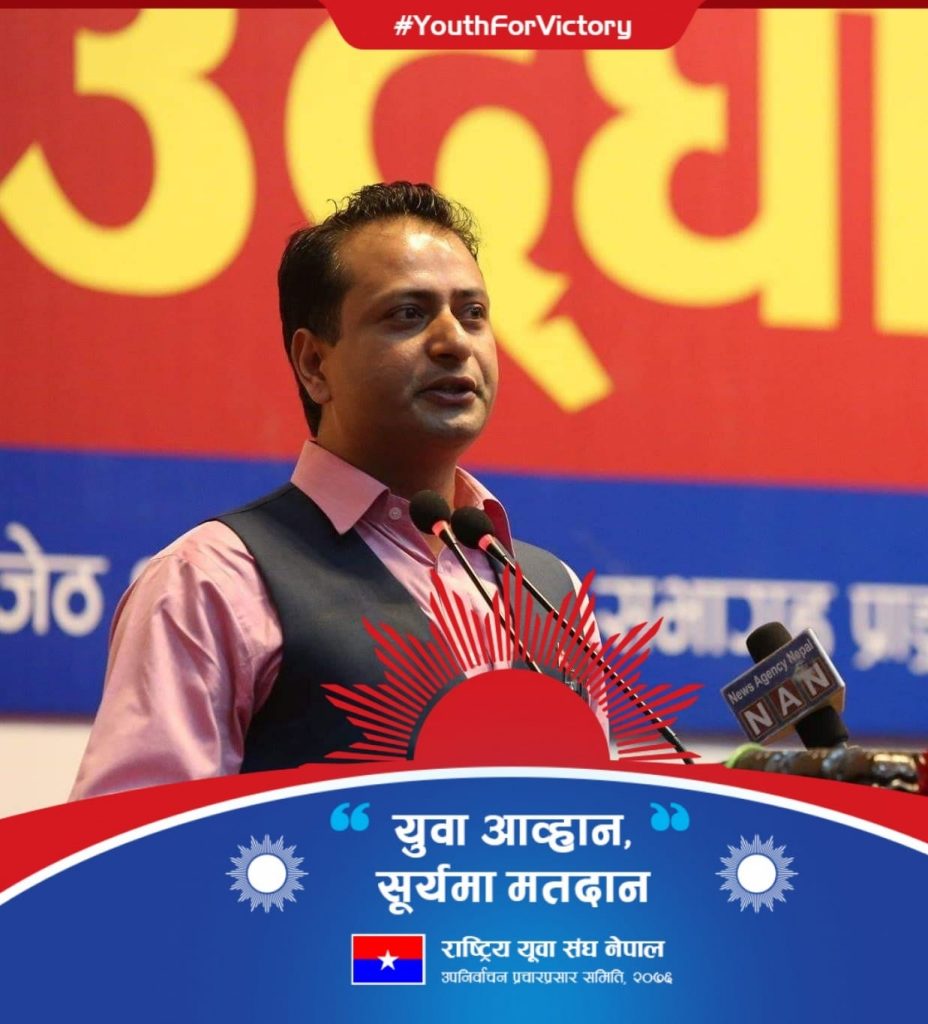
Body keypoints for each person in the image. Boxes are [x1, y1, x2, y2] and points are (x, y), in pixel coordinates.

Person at [70, 182, 596, 799]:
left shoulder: (551, 590)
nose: (455, 341)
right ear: (314, 365)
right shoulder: (212, 582)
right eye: (408, 313)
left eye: (473, 313)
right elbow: (135, 844)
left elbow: (600, 823)